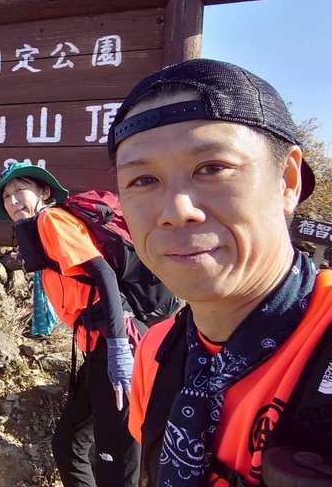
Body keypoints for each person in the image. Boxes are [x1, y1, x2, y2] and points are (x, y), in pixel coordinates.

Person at [109, 58, 332, 486]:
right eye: (143, 180)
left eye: (212, 168)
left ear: (287, 181)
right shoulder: (157, 351)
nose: (177, 210)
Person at [0, 162, 139, 487]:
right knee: (69, 443)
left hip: (116, 343)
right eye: (7, 196)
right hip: (96, 349)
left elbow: (103, 274)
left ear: (44, 191)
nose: (13, 201)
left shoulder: (51, 220)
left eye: (20, 190)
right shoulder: (38, 230)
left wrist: (119, 349)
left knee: (116, 461)